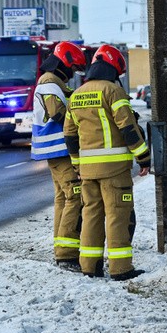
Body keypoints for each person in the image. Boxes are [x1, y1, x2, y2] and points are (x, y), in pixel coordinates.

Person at [63, 44, 150, 281]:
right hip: (115, 171)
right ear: (113, 69)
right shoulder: (112, 92)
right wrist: (143, 156)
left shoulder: (76, 95)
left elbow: (70, 136)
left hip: (88, 172)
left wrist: (77, 165)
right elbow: (128, 128)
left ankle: (89, 266)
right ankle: (120, 269)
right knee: (117, 216)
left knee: (91, 215)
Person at [31, 41, 87, 271]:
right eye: (72, 69)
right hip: (58, 147)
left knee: (63, 198)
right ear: (64, 64)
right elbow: (57, 112)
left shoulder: (53, 83)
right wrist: (80, 123)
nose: (72, 74)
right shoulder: (49, 83)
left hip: (55, 149)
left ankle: (61, 247)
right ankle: (66, 255)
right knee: (74, 196)